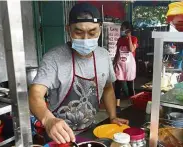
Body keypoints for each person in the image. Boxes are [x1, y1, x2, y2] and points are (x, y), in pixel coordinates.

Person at [29, 3, 129, 144]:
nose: (86, 38)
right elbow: (35, 94)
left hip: (90, 132)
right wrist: (48, 119)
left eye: (92, 32)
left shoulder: (103, 56)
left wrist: (112, 117)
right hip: (58, 136)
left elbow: (107, 88)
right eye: (79, 32)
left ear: (100, 30)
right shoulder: (53, 58)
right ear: (68, 30)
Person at [113, 21, 138, 113]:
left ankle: (133, 103)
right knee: (118, 86)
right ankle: (117, 106)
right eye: (121, 28)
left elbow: (132, 49)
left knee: (130, 86)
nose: (121, 30)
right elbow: (117, 53)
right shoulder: (120, 40)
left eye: (123, 28)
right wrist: (114, 63)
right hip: (119, 66)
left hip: (129, 67)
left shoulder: (134, 39)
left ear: (128, 30)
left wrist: (129, 37)